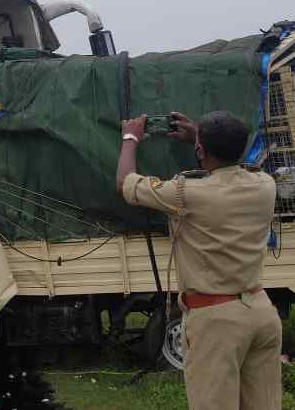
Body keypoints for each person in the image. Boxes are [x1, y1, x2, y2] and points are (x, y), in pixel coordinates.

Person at [116, 111, 280, 410]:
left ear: (201, 151)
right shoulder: (264, 184)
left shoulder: (187, 193)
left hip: (217, 322)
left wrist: (130, 138)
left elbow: (126, 183)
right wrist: (201, 141)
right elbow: (233, 166)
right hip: (260, 311)